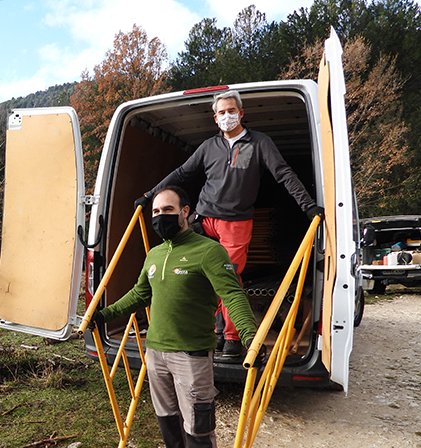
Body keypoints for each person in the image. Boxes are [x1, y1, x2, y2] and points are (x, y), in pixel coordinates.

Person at [90, 186, 258, 448]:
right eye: (154, 212)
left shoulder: (209, 252)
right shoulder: (154, 255)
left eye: (166, 209)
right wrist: (103, 315)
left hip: (192, 355)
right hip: (157, 351)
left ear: (186, 212)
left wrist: (251, 337)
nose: (159, 217)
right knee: (167, 418)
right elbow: (139, 294)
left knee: (198, 424)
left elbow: (233, 296)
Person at [137, 90, 323, 360]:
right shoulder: (208, 147)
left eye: (231, 111)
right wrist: (148, 195)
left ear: (241, 113)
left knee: (226, 280)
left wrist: (307, 206)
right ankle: (208, 330)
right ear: (215, 118)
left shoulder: (259, 143)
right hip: (203, 218)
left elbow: (283, 174)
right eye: (222, 112)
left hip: (236, 223)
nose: (227, 116)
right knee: (192, 272)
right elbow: (181, 173)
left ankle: (232, 339)